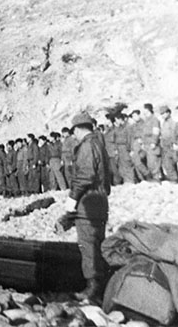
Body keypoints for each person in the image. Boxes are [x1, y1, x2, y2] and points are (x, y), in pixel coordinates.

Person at [64, 112, 110, 305]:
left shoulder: (87, 146)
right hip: (99, 199)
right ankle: (101, 287)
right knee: (97, 242)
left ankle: (92, 290)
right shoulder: (99, 144)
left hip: (88, 202)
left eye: (74, 130)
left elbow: (84, 175)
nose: (73, 135)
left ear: (78, 128)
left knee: (88, 244)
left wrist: (72, 198)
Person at [140, 103, 163, 181]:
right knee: (149, 163)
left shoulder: (154, 119)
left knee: (153, 162)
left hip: (151, 144)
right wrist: (143, 143)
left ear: (148, 110)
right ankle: (152, 178)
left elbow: (156, 132)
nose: (143, 112)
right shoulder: (146, 120)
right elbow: (143, 133)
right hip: (146, 144)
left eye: (144, 110)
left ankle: (156, 178)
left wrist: (154, 142)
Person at [158, 106, 178, 183]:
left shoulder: (172, 122)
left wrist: (174, 143)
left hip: (170, 144)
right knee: (168, 162)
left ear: (168, 113)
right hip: (165, 144)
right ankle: (175, 177)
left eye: (164, 113)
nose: (162, 115)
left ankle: (174, 179)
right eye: (161, 114)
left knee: (169, 162)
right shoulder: (164, 123)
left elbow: (173, 133)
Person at [129, 110, 150, 181]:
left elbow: (146, 134)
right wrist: (131, 149)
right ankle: (142, 178)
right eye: (133, 117)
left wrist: (143, 141)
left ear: (138, 115)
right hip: (135, 145)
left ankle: (147, 174)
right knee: (135, 161)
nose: (134, 118)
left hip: (142, 145)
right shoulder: (133, 126)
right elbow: (132, 137)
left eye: (135, 116)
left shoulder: (144, 123)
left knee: (138, 161)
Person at [114, 113, 136, 183]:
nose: (116, 122)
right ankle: (126, 181)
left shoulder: (128, 127)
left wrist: (130, 150)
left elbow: (130, 138)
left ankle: (130, 181)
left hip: (125, 148)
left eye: (116, 120)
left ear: (120, 119)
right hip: (120, 149)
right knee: (122, 166)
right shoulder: (120, 127)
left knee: (128, 165)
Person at [103, 115, 122, 185]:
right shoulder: (107, 130)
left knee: (114, 169)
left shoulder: (115, 129)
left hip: (113, 151)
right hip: (108, 151)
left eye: (107, 119)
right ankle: (113, 183)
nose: (106, 121)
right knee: (110, 169)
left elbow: (116, 140)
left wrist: (116, 150)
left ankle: (117, 183)